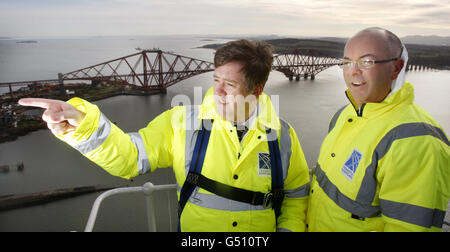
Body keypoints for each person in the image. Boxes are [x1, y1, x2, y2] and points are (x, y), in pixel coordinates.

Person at [19, 40, 310, 232]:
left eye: (230, 84)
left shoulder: (282, 135)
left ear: (257, 90)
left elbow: (297, 197)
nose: (217, 91)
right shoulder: (181, 122)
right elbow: (130, 158)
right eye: (215, 79)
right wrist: (84, 126)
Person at [306, 27, 450, 232]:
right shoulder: (345, 115)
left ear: (396, 67)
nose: (353, 71)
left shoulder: (417, 141)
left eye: (367, 61)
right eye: (347, 62)